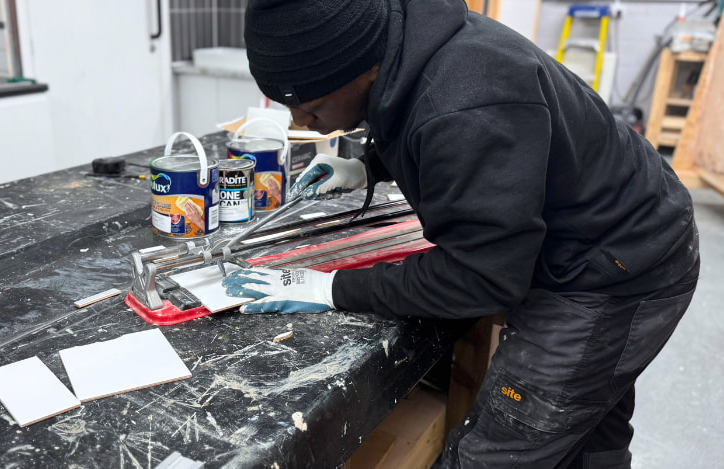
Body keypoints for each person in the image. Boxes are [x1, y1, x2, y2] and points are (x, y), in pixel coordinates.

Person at [222, 0, 700, 467]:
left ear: (365, 68)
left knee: (500, 447)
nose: (299, 122)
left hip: (615, 265)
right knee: (586, 425)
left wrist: (331, 288)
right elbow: (409, 109)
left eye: (312, 106)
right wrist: (369, 166)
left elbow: (480, 277)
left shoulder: (467, 99)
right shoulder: (404, 38)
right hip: (612, 221)